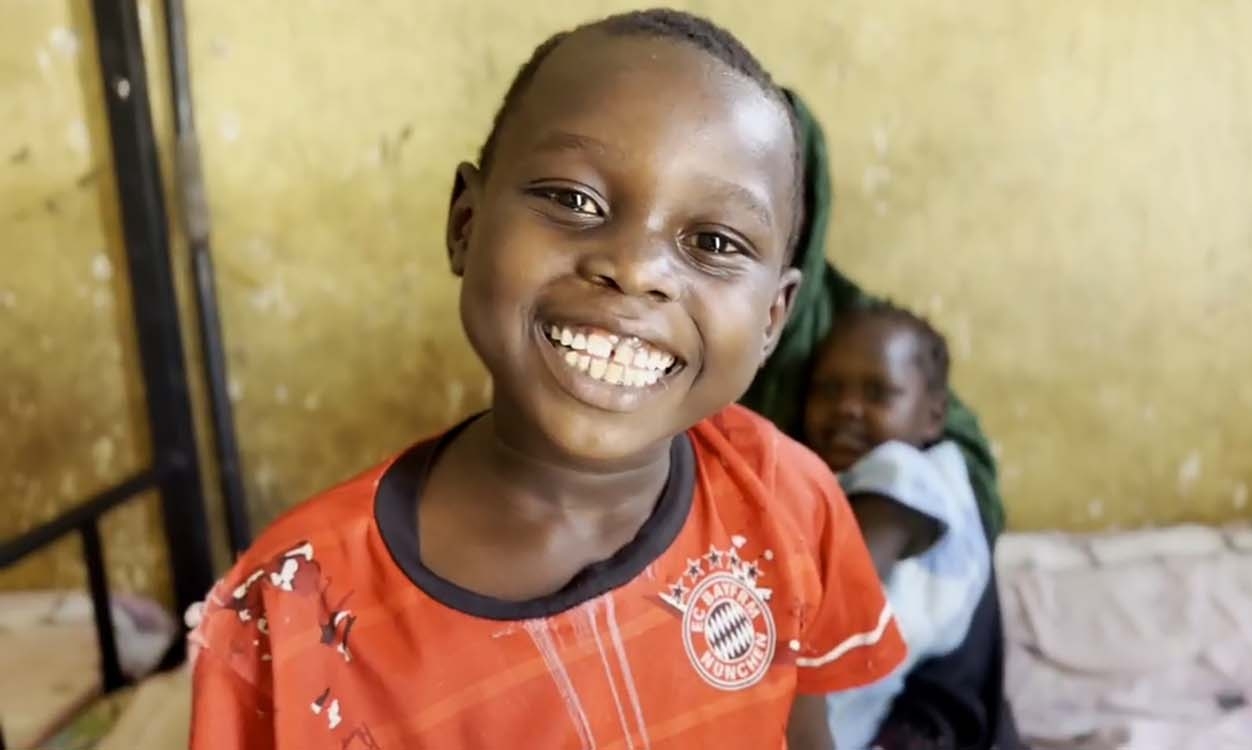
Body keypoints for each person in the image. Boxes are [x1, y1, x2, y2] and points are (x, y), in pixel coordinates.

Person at [188, 10, 905, 749]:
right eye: (573, 199)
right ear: (465, 223)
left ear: (772, 320)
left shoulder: (787, 501)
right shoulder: (287, 604)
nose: (633, 268)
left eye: (714, 242)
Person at [743, 91, 1023, 750]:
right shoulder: (641, 327)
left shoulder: (853, 329)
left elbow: (951, 478)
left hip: (883, 680)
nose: (847, 407)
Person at [800, 303, 992, 750]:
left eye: (878, 393)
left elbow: (839, 601)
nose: (847, 408)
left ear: (934, 416)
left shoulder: (903, 472)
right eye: (827, 390)